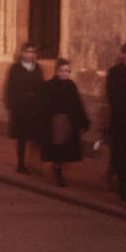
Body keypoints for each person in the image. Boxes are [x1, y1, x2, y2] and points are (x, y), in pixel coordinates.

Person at [39, 58, 89, 187]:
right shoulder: (49, 86)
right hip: (55, 121)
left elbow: (77, 104)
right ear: (56, 71)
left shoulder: (71, 85)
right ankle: (57, 171)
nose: (65, 73)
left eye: (67, 71)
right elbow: (44, 105)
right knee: (58, 146)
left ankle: (58, 169)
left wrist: (83, 121)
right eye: (62, 71)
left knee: (64, 147)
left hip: (68, 121)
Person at [4, 42, 44, 174]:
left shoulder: (37, 68)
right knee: (21, 137)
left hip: (34, 108)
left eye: (33, 52)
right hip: (20, 108)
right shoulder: (15, 69)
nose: (30, 54)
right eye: (28, 52)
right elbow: (9, 88)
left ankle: (34, 164)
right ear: (22, 53)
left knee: (35, 137)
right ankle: (21, 163)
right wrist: (10, 105)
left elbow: (41, 86)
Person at [107, 43, 126, 208]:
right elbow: (114, 98)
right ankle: (125, 193)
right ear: (124, 55)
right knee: (123, 159)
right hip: (122, 124)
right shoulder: (115, 73)